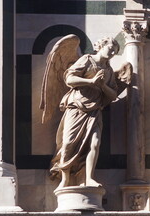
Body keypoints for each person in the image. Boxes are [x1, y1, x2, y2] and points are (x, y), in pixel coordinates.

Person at [50, 37, 119, 189]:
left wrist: (102, 86)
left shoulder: (109, 70)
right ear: (100, 45)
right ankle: (65, 178)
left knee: (94, 143)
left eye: (115, 51)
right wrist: (91, 81)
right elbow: (69, 79)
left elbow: (113, 95)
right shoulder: (86, 59)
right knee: (68, 143)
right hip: (77, 106)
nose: (113, 52)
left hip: (95, 111)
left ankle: (89, 178)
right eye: (111, 48)